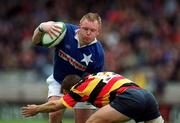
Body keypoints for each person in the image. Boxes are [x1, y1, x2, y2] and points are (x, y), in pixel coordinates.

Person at [32, 13, 104, 123]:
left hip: (83, 88)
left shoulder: (98, 54)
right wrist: (41, 28)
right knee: (54, 115)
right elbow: (35, 41)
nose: (88, 33)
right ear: (80, 25)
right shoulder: (64, 31)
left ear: (98, 32)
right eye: (85, 29)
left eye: (92, 30)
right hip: (59, 81)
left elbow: (94, 81)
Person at [21, 72, 164, 123]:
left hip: (129, 97)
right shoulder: (96, 77)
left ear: (67, 90)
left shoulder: (79, 88)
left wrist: (37, 109)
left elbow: (56, 105)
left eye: (66, 94)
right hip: (147, 96)